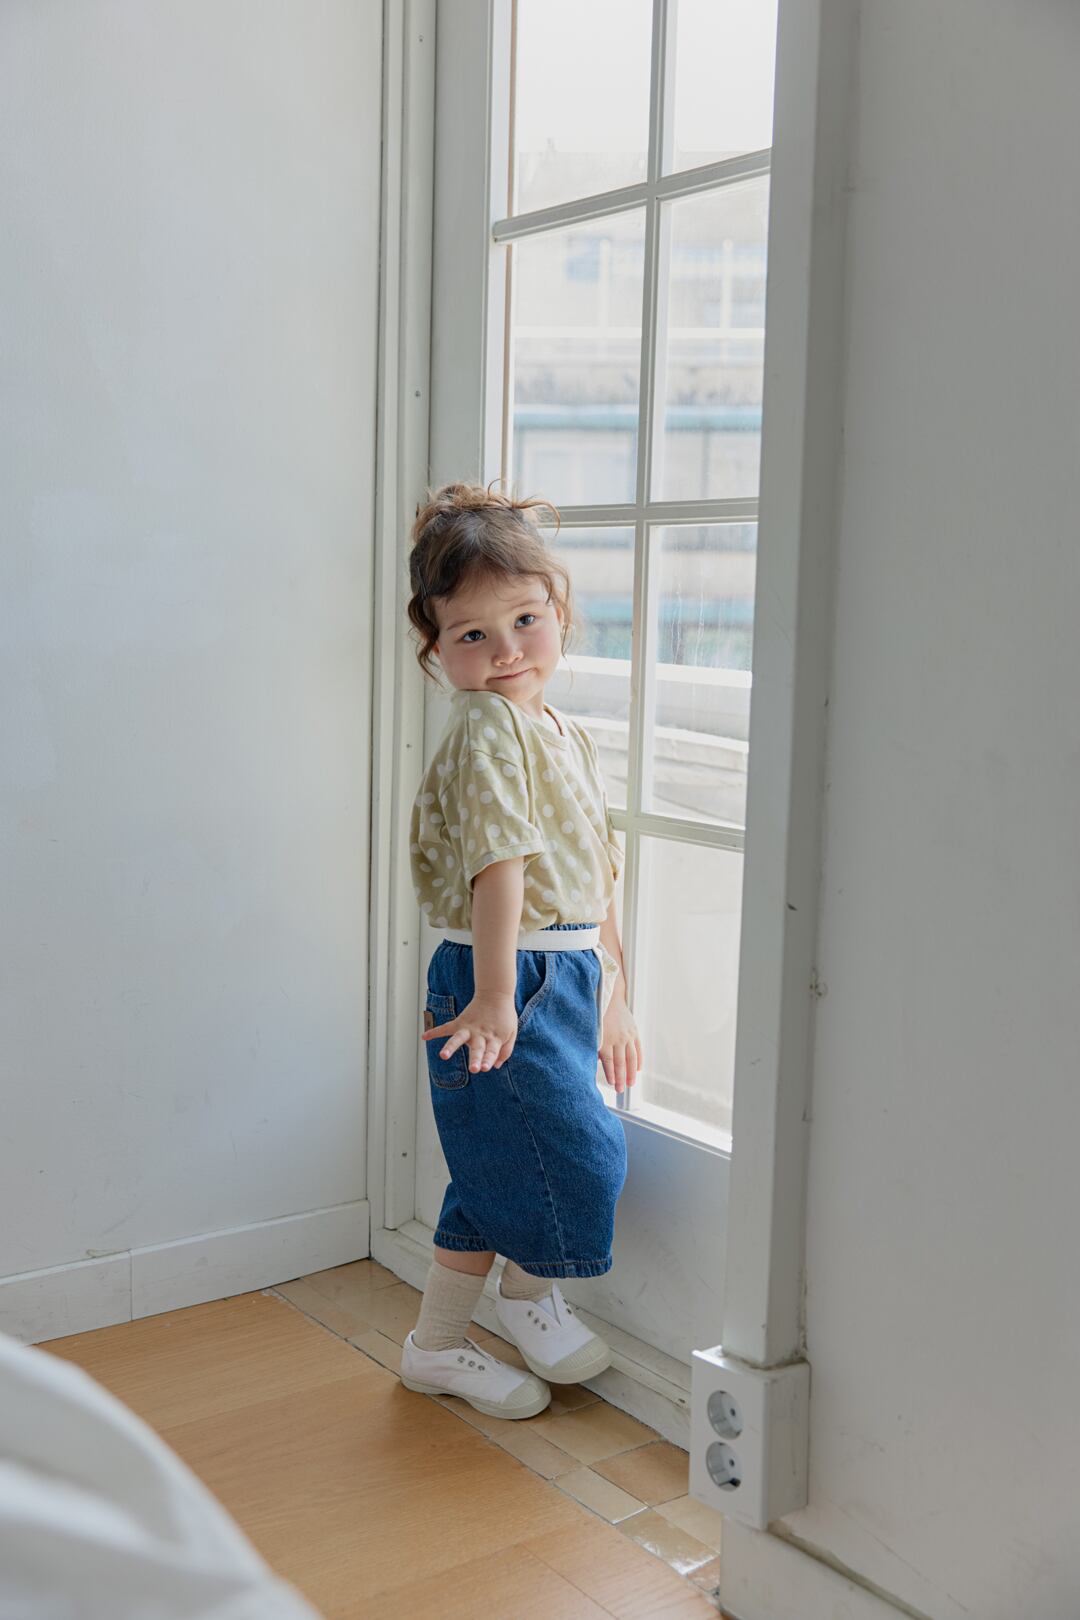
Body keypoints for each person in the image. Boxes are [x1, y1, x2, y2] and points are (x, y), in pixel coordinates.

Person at [398, 481, 644, 1421]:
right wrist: (498, 995)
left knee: (497, 1165)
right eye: (473, 634)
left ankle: (435, 1347)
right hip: (506, 974)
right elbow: (498, 865)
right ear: (437, 650)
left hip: (563, 973)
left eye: (526, 621)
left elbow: (596, 875)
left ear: (560, 615)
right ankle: (527, 1295)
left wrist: (615, 997)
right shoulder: (487, 725)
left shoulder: (562, 731)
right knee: (580, 1155)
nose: (505, 651)